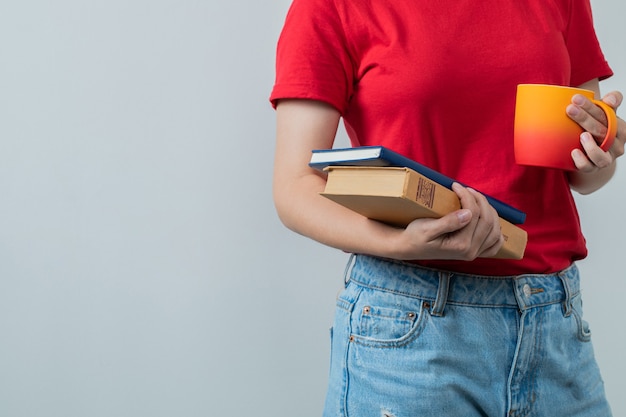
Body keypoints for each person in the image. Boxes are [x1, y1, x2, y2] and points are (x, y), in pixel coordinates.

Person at [270, 0, 625, 416]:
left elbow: (583, 173)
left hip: (554, 322)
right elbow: (294, 186)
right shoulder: (331, 6)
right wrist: (399, 243)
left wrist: (603, 151)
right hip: (410, 327)